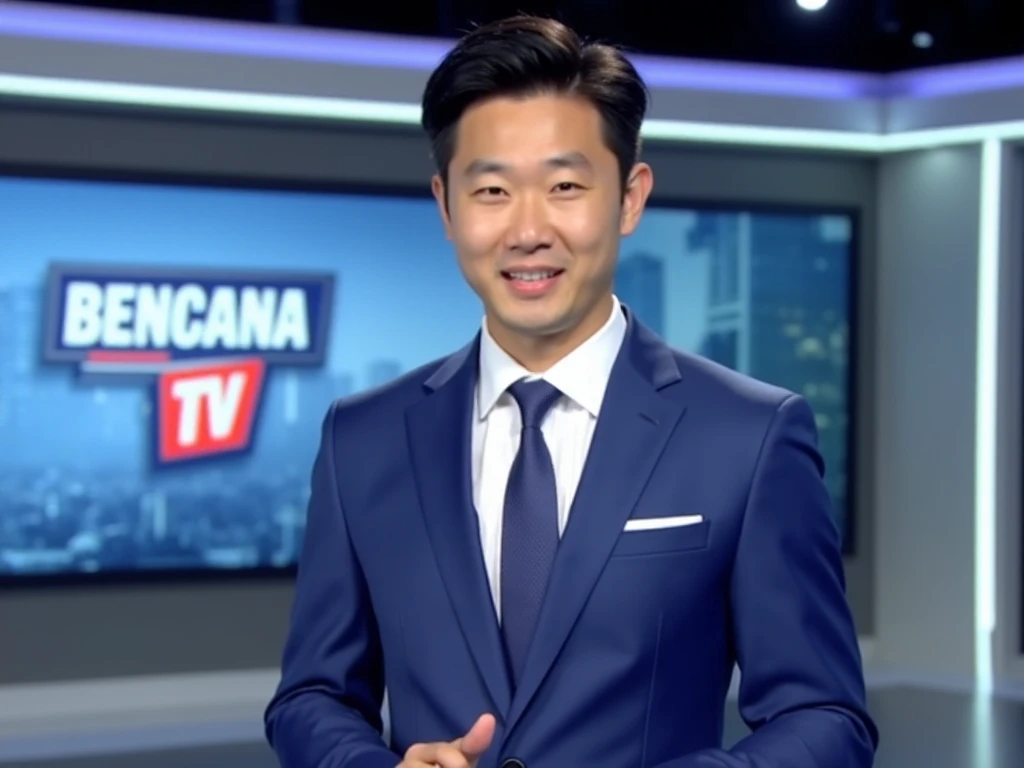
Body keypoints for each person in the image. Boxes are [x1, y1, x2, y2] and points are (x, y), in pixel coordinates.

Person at [264, 14, 878, 768]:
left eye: (563, 186)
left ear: (628, 197)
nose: (527, 229)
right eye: (491, 189)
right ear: (446, 205)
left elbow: (825, 716)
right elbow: (311, 697)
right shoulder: (363, 438)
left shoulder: (749, 435)